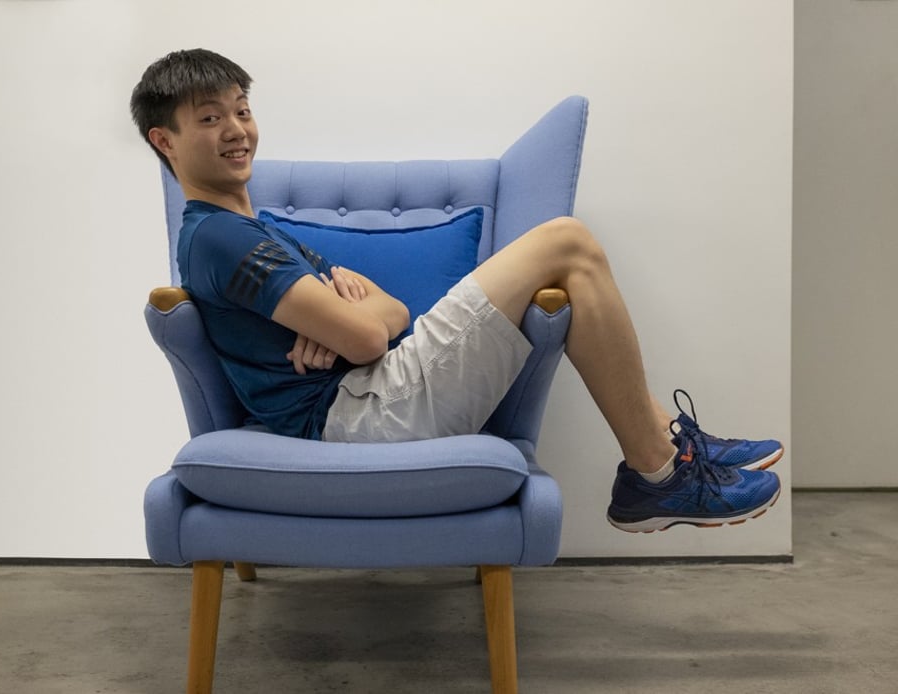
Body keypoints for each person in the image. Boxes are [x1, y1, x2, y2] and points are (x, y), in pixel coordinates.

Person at [130, 49, 783, 533]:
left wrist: (347, 319)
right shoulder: (221, 238)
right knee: (566, 242)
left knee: (570, 254)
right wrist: (349, 321)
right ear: (166, 141)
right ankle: (659, 469)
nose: (237, 129)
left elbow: (389, 309)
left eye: (242, 110)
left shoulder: (258, 230)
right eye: (210, 118)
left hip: (373, 393)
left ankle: (666, 447)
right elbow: (368, 335)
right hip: (362, 414)